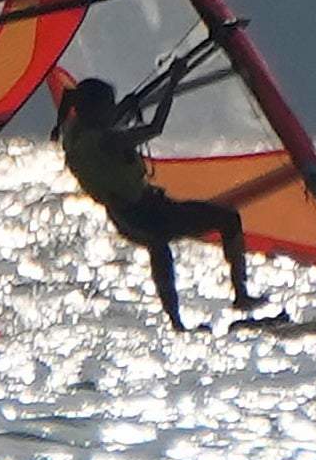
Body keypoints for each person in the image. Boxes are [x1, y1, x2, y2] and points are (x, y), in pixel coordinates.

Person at [55, 65, 266, 332]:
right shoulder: (109, 140)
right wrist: (172, 83)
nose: (112, 110)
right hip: (138, 213)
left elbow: (98, 119)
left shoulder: (72, 132)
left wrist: (125, 107)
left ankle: (238, 298)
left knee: (225, 220)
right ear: (96, 110)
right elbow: (155, 127)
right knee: (163, 244)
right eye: (109, 106)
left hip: (141, 209)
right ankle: (184, 319)